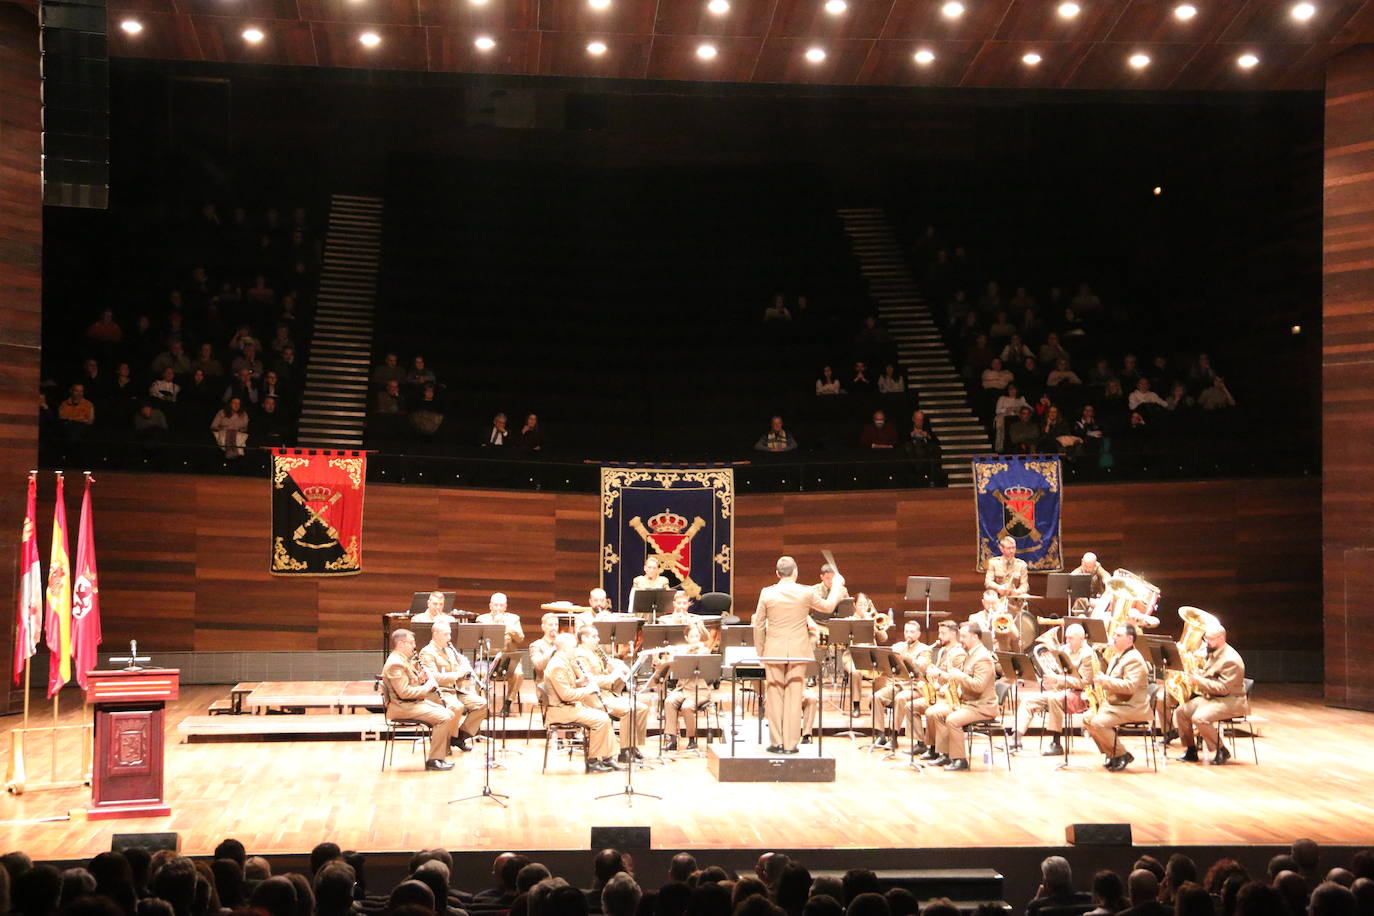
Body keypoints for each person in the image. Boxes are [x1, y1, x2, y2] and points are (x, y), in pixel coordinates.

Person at [753, 555, 847, 753]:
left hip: (773, 651)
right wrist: (837, 585)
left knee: (775, 696)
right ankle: (790, 745)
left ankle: (777, 742)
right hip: (797, 651)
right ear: (795, 572)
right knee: (795, 697)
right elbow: (828, 606)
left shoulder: (767, 593)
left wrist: (761, 652)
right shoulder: (806, 592)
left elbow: (759, 624)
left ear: (777, 573)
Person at [922, 622, 997, 771]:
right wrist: (943, 676)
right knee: (935, 713)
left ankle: (960, 760)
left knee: (953, 720)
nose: (960, 639)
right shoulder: (970, 654)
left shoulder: (983, 658)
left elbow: (978, 686)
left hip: (982, 706)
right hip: (968, 703)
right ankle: (944, 754)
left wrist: (960, 676)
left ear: (975, 637)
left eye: (964, 636)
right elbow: (957, 677)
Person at [382, 629, 459, 770]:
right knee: (444, 717)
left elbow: (408, 684)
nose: (414, 645)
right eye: (411, 642)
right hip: (402, 707)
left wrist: (420, 679)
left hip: (410, 704)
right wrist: (428, 687)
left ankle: (438, 756)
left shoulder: (403, 660)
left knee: (449, 713)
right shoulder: (395, 663)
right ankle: (434, 760)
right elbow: (404, 693)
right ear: (401, 644)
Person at [543, 633, 621, 773]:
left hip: (568, 708)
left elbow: (567, 686)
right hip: (561, 711)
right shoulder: (557, 666)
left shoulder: (562, 662)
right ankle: (593, 761)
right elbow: (566, 695)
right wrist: (588, 690)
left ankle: (607, 757)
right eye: (573, 647)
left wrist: (580, 682)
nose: (575, 650)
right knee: (601, 719)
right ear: (565, 649)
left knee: (603, 716)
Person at [574, 625, 649, 765]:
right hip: (593, 698)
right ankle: (624, 750)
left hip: (606, 694)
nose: (598, 639)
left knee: (642, 708)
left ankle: (633, 745)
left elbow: (601, 674)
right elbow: (590, 680)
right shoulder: (580, 655)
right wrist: (612, 676)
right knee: (629, 709)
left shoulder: (594, 652)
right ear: (583, 638)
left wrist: (614, 669)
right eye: (594, 636)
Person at [1174, 624, 1247, 765]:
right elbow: (1211, 676)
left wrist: (1199, 681)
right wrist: (1195, 675)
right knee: (1181, 712)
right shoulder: (1214, 652)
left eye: (1210, 639)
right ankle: (1191, 750)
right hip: (1213, 698)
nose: (1207, 641)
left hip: (1231, 700)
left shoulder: (1231, 660)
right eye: (1206, 638)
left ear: (1221, 638)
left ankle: (1221, 750)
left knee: (1200, 718)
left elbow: (1223, 689)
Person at [1020, 623, 1095, 755]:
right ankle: (1016, 739)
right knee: (1028, 700)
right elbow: (1059, 673)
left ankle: (1056, 743)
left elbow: (1083, 683)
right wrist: (1050, 681)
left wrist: (1057, 680)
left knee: (1055, 699)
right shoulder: (1064, 650)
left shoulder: (1088, 655)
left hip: (1080, 695)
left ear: (1081, 639)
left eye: (1070, 639)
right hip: (1061, 690)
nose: (1066, 641)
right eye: (1066, 638)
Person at [1084, 623, 1150, 771]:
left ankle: (1122, 754)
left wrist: (1105, 681)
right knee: (1087, 719)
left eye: (1118, 635)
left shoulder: (1134, 659)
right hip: (1116, 703)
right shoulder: (1117, 656)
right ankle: (1112, 754)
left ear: (1130, 639)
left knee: (1098, 723)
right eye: (1114, 634)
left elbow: (1129, 687)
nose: (1114, 638)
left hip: (1131, 705)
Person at [417, 620, 488, 753]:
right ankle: (444, 743)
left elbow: (459, 672)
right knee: (456, 707)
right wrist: (457, 674)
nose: (449, 638)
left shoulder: (450, 651)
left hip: (454, 690)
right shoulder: (427, 652)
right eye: (446, 635)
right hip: (437, 693)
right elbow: (434, 677)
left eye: (449, 634)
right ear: (436, 634)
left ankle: (459, 737)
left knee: (482, 704)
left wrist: (465, 670)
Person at [871, 620, 932, 750]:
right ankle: (880, 734)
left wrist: (909, 658)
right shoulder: (898, 646)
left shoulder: (924, 649)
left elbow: (921, 668)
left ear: (918, 634)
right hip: (898, 685)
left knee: (900, 698)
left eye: (912, 632)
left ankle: (894, 736)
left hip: (916, 687)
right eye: (906, 631)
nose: (908, 634)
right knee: (876, 697)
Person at [661, 623, 715, 751]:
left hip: (699, 691)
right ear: (686, 638)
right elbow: (668, 666)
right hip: (682, 690)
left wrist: (682, 651)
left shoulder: (704, 651)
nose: (695, 639)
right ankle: (672, 739)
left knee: (687, 707)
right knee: (669, 701)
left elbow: (699, 658)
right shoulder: (681, 651)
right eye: (692, 636)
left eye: (697, 636)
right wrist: (665, 656)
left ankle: (692, 740)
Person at [476, 592, 527, 714]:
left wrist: (508, 626)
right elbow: (477, 642)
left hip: (507, 657)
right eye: (495, 605)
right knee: (479, 674)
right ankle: (485, 705)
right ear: (490, 606)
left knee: (518, 674)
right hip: (486, 658)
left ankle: (508, 702)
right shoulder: (481, 619)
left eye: (501, 605)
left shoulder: (514, 619)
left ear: (505, 607)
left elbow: (520, 639)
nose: (498, 608)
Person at [1026, 857, 1092, 916]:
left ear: (1046, 881)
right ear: (1069, 876)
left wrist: (1036, 900)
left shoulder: (1036, 906)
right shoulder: (1091, 899)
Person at [528, 612, 561, 679]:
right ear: (543, 627)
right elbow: (539, 665)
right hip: (545, 683)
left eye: (556, 625)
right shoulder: (536, 646)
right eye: (550, 625)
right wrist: (554, 647)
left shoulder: (563, 643)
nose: (554, 628)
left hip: (562, 680)